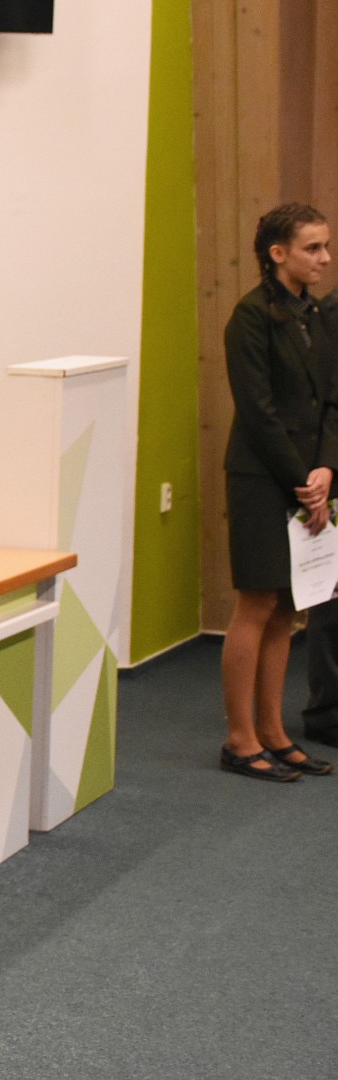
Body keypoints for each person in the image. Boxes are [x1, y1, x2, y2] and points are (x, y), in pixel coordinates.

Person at [219, 202, 338, 781]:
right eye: (313, 248)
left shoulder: (315, 313)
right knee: (257, 603)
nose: (325, 258)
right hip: (261, 479)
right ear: (278, 253)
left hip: (309, 479)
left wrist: (327, 469)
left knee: (289, 607)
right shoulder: (249, 316)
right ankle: (240, 740)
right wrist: (303, 480)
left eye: (326, 246)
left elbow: (331, 400)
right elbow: (258, 412)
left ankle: (274, 732)